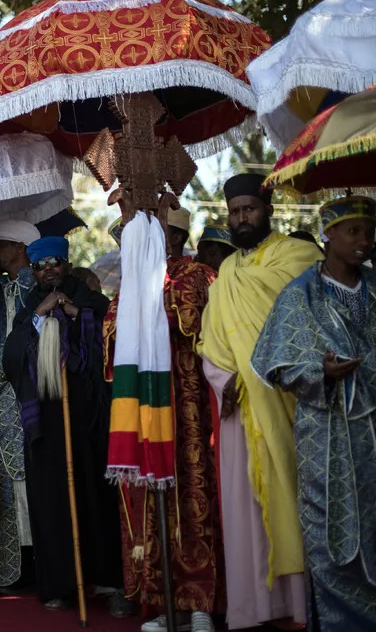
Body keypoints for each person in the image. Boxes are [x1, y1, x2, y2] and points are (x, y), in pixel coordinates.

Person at [253, 195, 376, 632]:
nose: (365, 240)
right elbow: (277, 364)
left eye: (369, 230)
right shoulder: (300, 294)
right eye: (353, 231)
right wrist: (318, 371)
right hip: (328, 440)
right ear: (328, 235)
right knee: (332, 535)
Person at [197, 173, 323, 630]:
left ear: (267, 209)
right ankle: (254, 607)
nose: (242, 217)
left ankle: (301, 603)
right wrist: (223, 377)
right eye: (235, 211)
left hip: (289, 401)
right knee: (244, 505)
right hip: (238, 405)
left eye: (249, 208)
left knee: (292, 494)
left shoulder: (300, 256)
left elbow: (313, 323)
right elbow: (210, 339)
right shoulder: (226, 272)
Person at [106, 209, 223, 632]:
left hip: (188, 408)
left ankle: (200, 604)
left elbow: (195, 321)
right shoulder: (131, 282)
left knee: (194, 497)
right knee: (144, 502)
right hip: (141, 410)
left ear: (172, 236)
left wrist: (154, 307)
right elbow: (111, 329)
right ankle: (160, 603)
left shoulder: (198, 274)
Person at [2, 236, 131, 616]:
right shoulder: (29, 307)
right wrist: (42, 315)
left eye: (54, 263)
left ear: (67, 266)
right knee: (51, 501)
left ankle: (109, 582)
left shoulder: (90, 300)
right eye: (40, 266)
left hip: (89, 420)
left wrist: (74, 313)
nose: (48, 271)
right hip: (47, 424)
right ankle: (59, 583)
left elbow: (108, 339)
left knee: (96, 497)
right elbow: (12, 357)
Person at [0, 220, 41, 594]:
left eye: (0, 246)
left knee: (42, 476)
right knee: (7, 479)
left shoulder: (45, 289)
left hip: (40, 398)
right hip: (1, 400)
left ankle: (45, 564)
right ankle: (12, 568)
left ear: (19, 247)